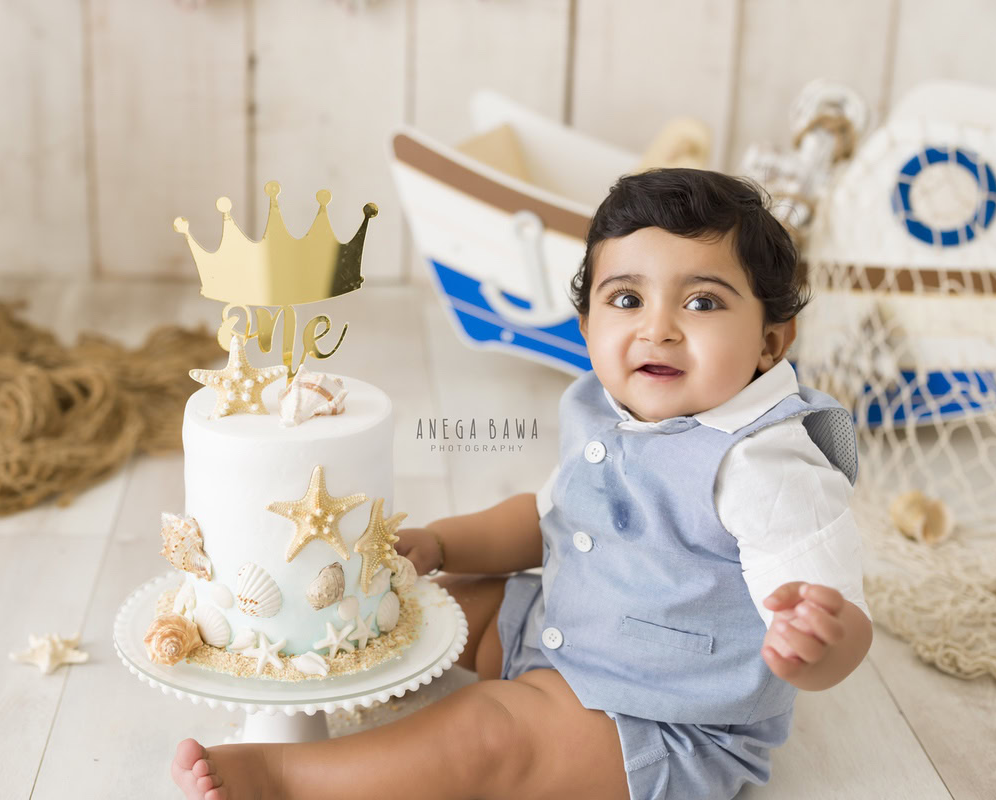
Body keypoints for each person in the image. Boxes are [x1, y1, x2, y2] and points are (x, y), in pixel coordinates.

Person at [171, 168, 874, 800]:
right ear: (587, 323)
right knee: (427, 616)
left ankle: (287, 780)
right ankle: (333, 707)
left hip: (659, 722)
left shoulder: (766, 464)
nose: (657, 329)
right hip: (557, 628)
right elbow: (550, 519)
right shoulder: (604, 409)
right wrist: (442, 543)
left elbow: (836, 618)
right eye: (627, 298)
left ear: (770, 342)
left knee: (487, 734)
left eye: (702, 304)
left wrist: (819, 644)